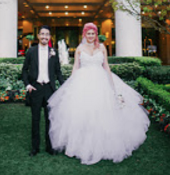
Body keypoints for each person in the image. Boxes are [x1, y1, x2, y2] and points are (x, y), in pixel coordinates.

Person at [47, 22, 150, 165]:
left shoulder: (102, 47)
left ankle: (104, 145)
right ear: (84, 34)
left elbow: (106, 65)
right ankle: (79, 146)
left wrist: (112, 86)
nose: (90, 36)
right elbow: (76, 66)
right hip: (83, 82)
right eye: (88, 33)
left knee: (103, 112)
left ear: (96, 34)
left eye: (93, 33)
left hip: (101, 80)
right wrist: (70, 83)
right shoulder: (79, 48)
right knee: (83, 113)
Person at [22, 25, 65, 157]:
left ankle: (49, 147)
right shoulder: (31, 51)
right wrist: (28, 85)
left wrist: (64, 86)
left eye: (47, 34)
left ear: (50, 37)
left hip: (49, 89)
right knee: (35, 119)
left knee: (49, 119)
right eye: (42, 34)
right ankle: (35, 148)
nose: (44, 36)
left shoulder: (54, 52)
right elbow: (24, 70)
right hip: (36, 88)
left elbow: (58, 72)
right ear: (38, 36)